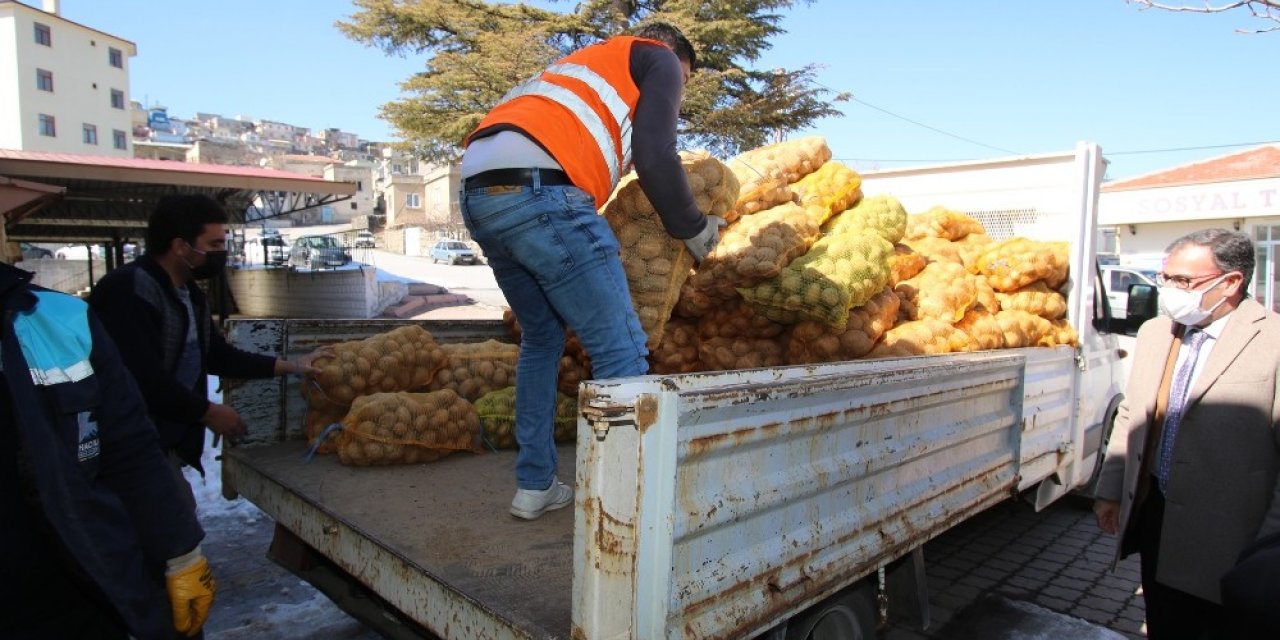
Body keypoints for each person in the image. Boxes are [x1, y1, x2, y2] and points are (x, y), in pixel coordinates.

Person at [458, 22, 721, 520]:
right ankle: (626, 509)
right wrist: (694, 226)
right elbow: (656, 157)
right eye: (683, 78)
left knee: (541, 338)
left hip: (479, 196)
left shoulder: (577, 69)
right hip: (541, 192)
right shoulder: (653, 57)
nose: (679, 91)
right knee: (620, 348)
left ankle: (534, 485)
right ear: (670, 54)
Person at [0, 262, 215, 639]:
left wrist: (179, 551)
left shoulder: (56, 317)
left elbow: (129, 447)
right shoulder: (128, 291)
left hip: (81, 588)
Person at [1093, 228, 1280, 639]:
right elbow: (1132, 412)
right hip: (1157, 516)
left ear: (1230, 282)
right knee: (1166, 620)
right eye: (1166, 278)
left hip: (1233, 534)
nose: (1170, 291)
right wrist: (1110, 490)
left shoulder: (1273, 340)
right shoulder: (1156, 332)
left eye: (1183, 282)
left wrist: (1267, 543)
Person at [87, 194, 318, 505]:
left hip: (160, 443)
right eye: (215, 245)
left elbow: (217, 356)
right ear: (181, 246)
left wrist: (293, 366)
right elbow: (140, 377)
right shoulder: (128, 291)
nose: (222, 253)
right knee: (170, 536)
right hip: (124, 447)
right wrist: (207, 412)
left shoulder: (189, 294)